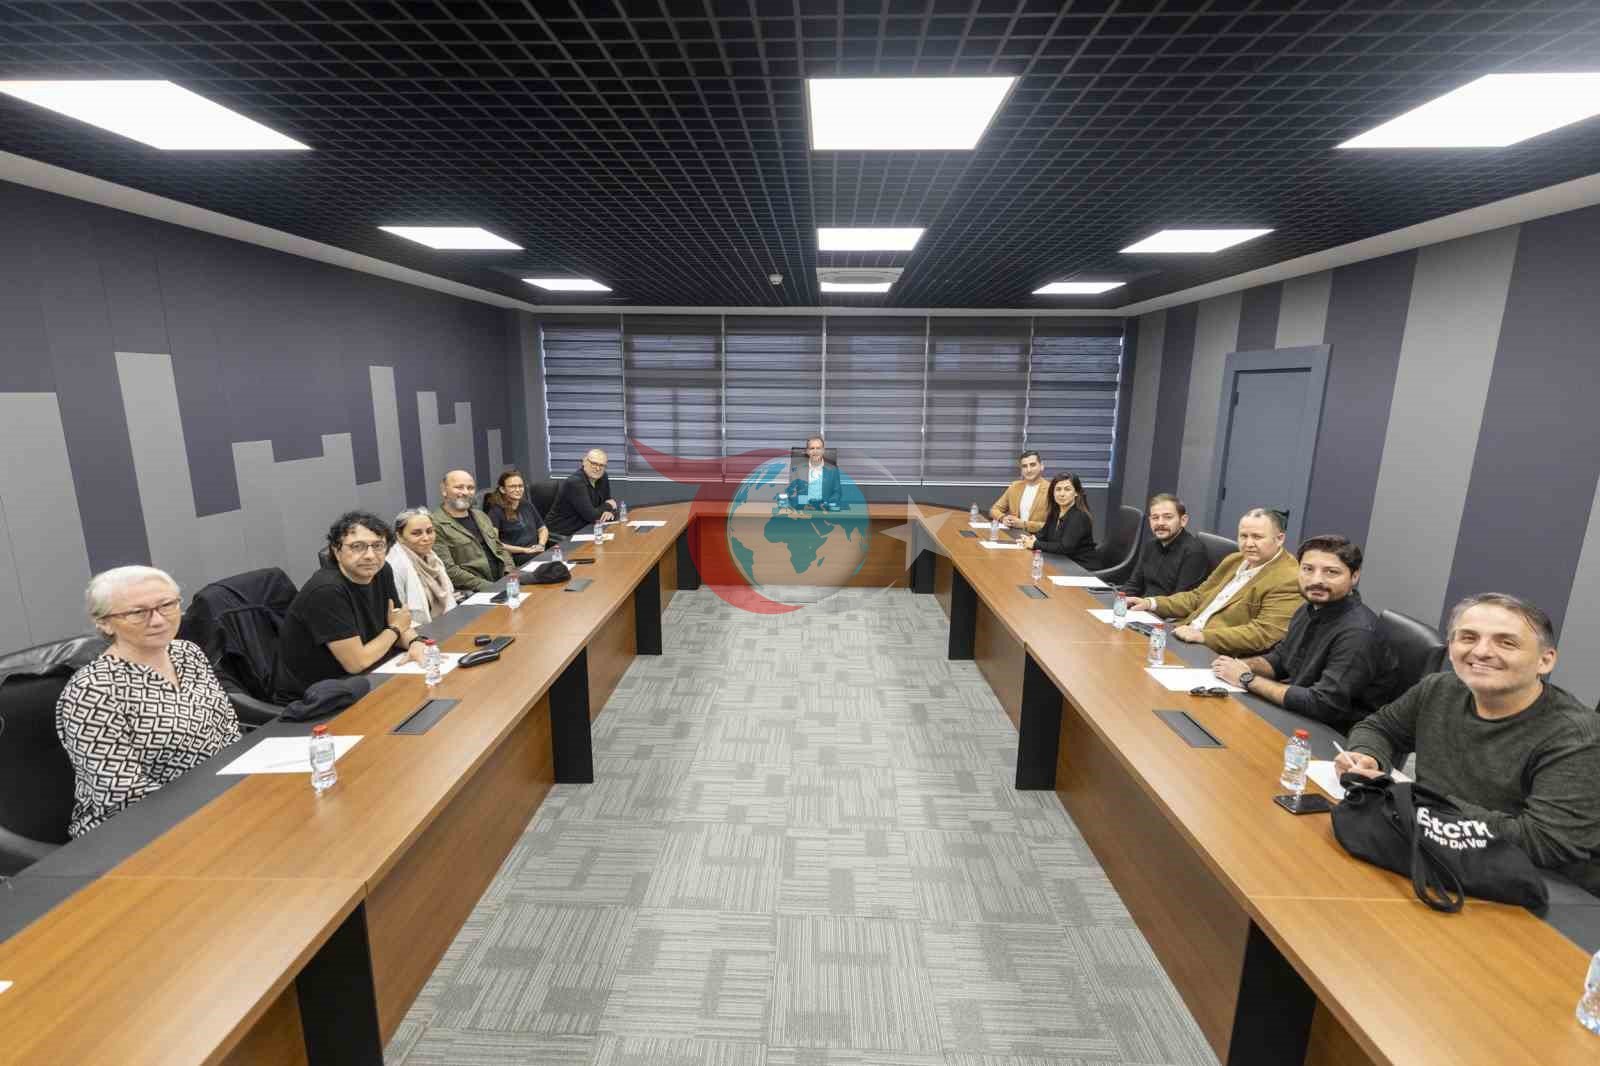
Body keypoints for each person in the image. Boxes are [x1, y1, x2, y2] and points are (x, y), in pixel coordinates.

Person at [1336, 593, 1600, 892]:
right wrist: (1368, 755)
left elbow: (1546, 843)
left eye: (1506, 642)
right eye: (1468, 637)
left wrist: (1419, 801)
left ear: (1545, 660)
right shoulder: (1438, 689)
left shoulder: (1577, 736)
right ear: (1451, 648)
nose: (1482, 651)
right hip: (1435, 850)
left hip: (1534, 886)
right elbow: (1380, 727)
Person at [56, 566, 241, 837]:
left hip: (219, 802)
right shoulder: (92, 691)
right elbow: (122, 796)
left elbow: (229, 734)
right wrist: (215, 808)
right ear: (104, 622)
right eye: (137, 612)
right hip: (134, 831)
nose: (157, 620)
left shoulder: (188, 653)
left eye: (167, 605)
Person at [1210, 535, 1397, 729]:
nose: (1316, 580)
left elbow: (1324, 704)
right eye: (1308, 569)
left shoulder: (1359, 633)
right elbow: (1282, 659)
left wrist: (1246, 679)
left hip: (1332, 732)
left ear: (1354, 576)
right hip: (1299, 712)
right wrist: (1239, 666)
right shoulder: (1309, 608)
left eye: (1331, 572)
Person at [275, 511, 425, 699]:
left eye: (378, 546)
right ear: (336, 551)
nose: (370, 555)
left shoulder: (381, 571)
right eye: (357, 547)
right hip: (317, 696)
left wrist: (415, 642)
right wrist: (395, 629)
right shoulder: (326, 591)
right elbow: (357, 662)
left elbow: (398, 621)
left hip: (366, 675)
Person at [1131, 508, 1299, 655]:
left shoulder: (1288, 578)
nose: (1248, 543)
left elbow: (1263, 634)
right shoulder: (1235, 560)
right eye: (1243, 536)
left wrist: (1203, 636)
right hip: (1183, 636)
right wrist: (1151, 603)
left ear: (1279, 539)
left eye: (1257, 537)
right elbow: (1197, 597)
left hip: (1216, 653)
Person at [431, 469, 518, 592]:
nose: (465, 492)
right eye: (459, 487)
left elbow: (499, 548)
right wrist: (491, 588)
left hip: (503, 584)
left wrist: (509, 574)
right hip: (474, 592)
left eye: (470, 488)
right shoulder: (434, 524)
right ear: (444, 490)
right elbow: (448, 570)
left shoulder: (481, 516)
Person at [1120, 493, 1209, 599]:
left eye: (1168, 517)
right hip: (1141, 604)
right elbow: (1134, 584)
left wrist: (1147, 605)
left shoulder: (1194, 552)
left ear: (1183, 521)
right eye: (1155, 518)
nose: (1160, 523)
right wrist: (1118, 601)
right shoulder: (1150, 545)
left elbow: (1180, 601)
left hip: (1163, 608)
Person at [386, 508, 457, 625]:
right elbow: (397, 615)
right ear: (399, 536)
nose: (426, 538)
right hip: (416, 631)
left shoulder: (433, 557)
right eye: (416, 533)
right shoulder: (395, 565)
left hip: (446, 623)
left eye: (430, 531)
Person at [1020, 473, 1097, 566]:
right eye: (1058, 489)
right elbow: (1042, 534)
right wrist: (1029, 539)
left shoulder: (1079, 516)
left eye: (1067, 489)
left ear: (1076, 492)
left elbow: (1065, 547)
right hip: (1061, 562)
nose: (1062, 494)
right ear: (1053, 492)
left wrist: (1035, 544)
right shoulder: (1055, 512)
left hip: (1081, 567)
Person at [547, 448, 617, 536]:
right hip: (563, 533)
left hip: (585, 528)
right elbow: (593, 516)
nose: (597, 468)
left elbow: (607, 502)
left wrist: (609, 512)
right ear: (584, 462)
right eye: (594, 464)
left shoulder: (603, 477)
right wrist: (609, 505)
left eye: (602, 465)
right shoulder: (575, 483)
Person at [484, 468, 549, 557]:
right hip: (516, 557)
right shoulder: (495, 511)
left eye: (520, 486)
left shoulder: (526, 504)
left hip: (536, 552)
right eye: (512, 486)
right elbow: (495, 543)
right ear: (502, 489)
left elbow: (542, 529)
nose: (518, 490)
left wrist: (541, 545)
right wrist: (525, 550)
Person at [989, 450, 1050, 533]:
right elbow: (994, 510)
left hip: (1038, 538)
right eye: (1024, 466)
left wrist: (1023, 524)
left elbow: (1054, 526)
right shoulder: (1014, 486)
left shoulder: (1051, 489)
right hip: (1014, 535)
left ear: (1041, 466)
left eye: (1032, 465)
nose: (1028, 470)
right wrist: (1003, 518)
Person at [786, 435, 841, 509]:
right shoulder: (797, 469)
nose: (815, 451)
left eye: (818, 448)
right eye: (812, 448)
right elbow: (792, 491)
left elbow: (837, 492)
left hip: (825, 509)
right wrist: (803, 504)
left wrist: (828, 503)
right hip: (804, 509)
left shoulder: (833, 470)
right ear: (807, 451)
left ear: (823, 451)